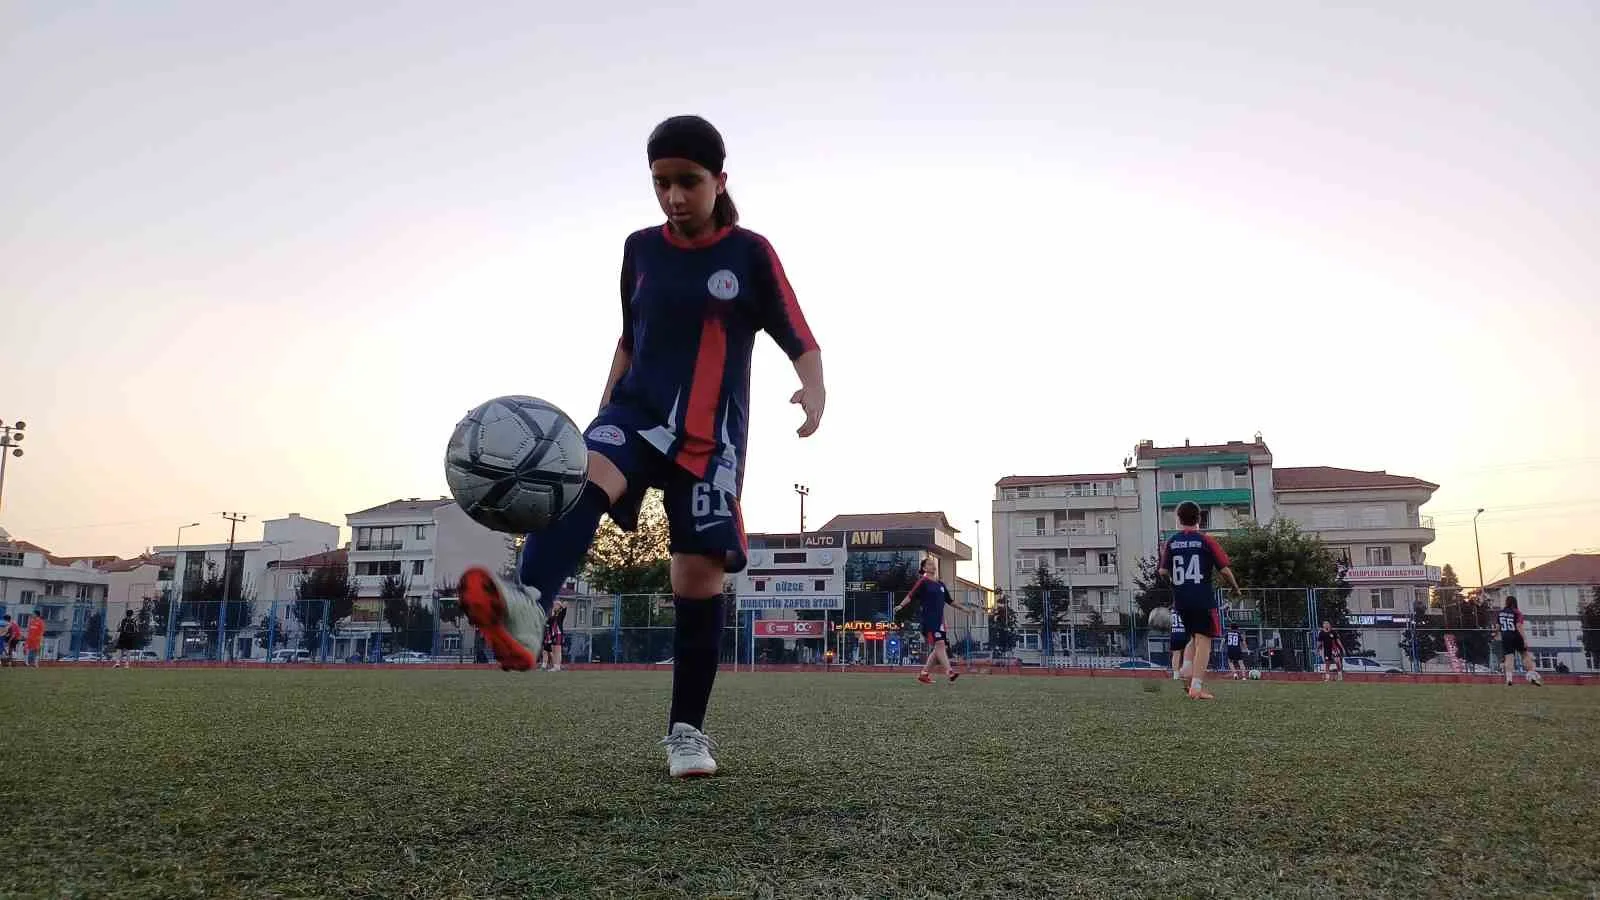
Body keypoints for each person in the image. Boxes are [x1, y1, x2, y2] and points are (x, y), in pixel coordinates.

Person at [456, 115, 824, 779]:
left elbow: (797, 331)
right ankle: (529, 608)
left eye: (689, 182)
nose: (675, 196)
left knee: (695, 579)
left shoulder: (749, 253)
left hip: (711, 444)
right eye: (662, 183)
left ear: (719, 181)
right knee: (581, 475)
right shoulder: (639, 249)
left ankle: (687, 734)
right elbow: (629, 337)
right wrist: (603, 409)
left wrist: (813, 389)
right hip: (636, 413)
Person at [1159, 501, 1240, 700]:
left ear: (1178, 519)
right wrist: (1235, 587)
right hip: (1202, 598)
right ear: (1200, 518)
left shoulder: (1171, 542)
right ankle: (1196, 686)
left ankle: (1187, 667)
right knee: (1204, 640)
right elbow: (1224, 570)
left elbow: (1162, 570)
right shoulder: (1206, 541)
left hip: (1181, 600)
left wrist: (1174, 584)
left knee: (1194, 636)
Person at [894, 558, 976, 684]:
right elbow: (910, 595)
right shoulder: (923, 582)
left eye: (933, 564)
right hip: (929, 620)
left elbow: (950, 601)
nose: (933, 566)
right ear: (924, 568)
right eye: (929, 564)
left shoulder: (940, 585)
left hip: (940, 621)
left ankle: (924, 674)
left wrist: (964, 609)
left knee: (938, 647)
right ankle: (950, 672)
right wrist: (900, 605)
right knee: (940, 645)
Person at [1496, 595, 1543, 687]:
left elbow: (1498, 627)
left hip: (1505, 636)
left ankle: (1509, 679)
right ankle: (1532, 676)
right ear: (1515, 603)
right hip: (1516, 635)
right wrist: (1524, 639)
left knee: (1509, 658)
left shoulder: (1500, 613)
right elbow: (1518, 626)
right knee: (1525, 655)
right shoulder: (1517, 613)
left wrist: (1496, 635)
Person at [539, 599, 568, 672]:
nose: (554, 606)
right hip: (553, 634)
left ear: (559, 606)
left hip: (558, 633)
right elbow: (548, 622)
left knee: (557, 650)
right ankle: (555, 666)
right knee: (554, 650)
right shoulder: (553, 614)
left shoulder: (561, 613)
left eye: (556, 605)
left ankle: (557, 666)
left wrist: (563, 606)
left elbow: (565, 607)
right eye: (554, 605)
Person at [1168, 605, 1189, 682]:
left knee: (1176, 654)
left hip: (1174, 634)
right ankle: (1185, 672)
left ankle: (1176, 675)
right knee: (1187, 655)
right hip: (1184, 634)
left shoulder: (1169, 612)